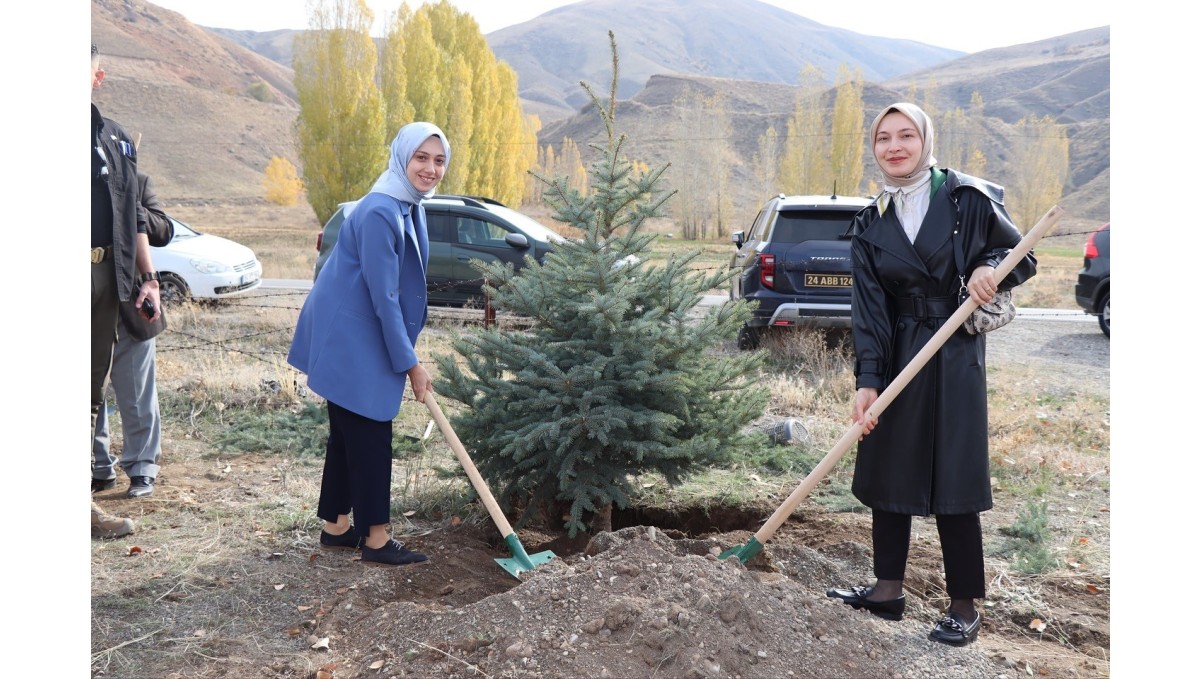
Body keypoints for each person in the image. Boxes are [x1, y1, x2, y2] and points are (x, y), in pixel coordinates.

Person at [826, 102, 1037, 646]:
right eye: (883, 139)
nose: (894, 147)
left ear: (925, 140)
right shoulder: (871, 222)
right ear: (874, 149)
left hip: (955, 350)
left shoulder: (966, 198)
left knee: (955, 473)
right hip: (898, 351)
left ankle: (964, 604)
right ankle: (887, 590)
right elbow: (868, 312)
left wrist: (990, 266)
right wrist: (867, 381)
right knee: (889, 465)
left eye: (905, 136)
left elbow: (1020, 252)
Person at [287, 122, 450, 566]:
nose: (430, 169)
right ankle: (376, 540)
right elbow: (386, 296)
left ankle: (337, 527)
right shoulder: (382, 210)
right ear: (402, 157)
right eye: (421, 158)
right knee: (372, 431)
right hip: (351, 335)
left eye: (438, 160)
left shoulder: (407, 204)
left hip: (357, 330)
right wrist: (411, 364)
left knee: (346, 433)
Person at [92, 42, 161, 537]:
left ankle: (128, 475)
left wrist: (149, 278)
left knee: (98, 389)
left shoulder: (115, 143)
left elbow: (140, 218)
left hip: (113, 280)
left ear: (97, 77)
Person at [93, 171, 174, 498]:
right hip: (89, 303)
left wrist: (131, 208)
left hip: (134, 308)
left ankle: (142, 469)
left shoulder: (138, 182)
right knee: (89, 392)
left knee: (136, 391)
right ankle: (98, 467)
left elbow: (164, 230)